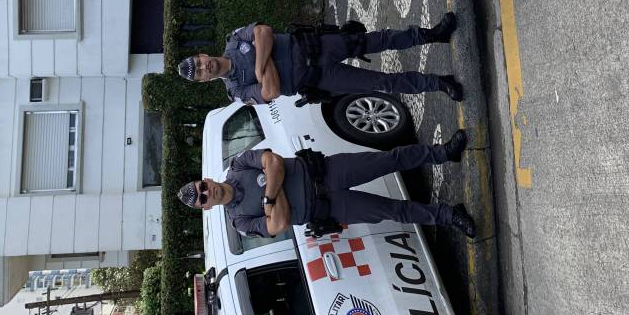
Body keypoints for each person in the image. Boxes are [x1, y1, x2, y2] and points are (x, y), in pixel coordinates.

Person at [177, 136, 478, 238]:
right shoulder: (240, 222)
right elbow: (279, 224)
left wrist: (270, 199)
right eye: (202, 198)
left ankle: (444, 153)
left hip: (327, 172)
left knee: (389, 160)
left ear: (207, 179)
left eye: (202, 186)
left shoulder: (239, 164)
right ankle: (449, 215)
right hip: (329, 208)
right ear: (206, 207)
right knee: (393, 211)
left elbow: (274, 162)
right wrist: (274, 187)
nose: (206, 192)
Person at [177, 13, 464, 105]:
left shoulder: (233, 40)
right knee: (382, 83)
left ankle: (432, 34)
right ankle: (439, 83)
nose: (204, 67)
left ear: (202, 55)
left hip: (315, 47)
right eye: (200, 72)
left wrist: (260, 68)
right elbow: (271, 91)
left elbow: (264, 32)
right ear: (204, 81)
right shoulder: (236, 92)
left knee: (378, 39)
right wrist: (264, 60)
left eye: (199, 62)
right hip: (319, 78)